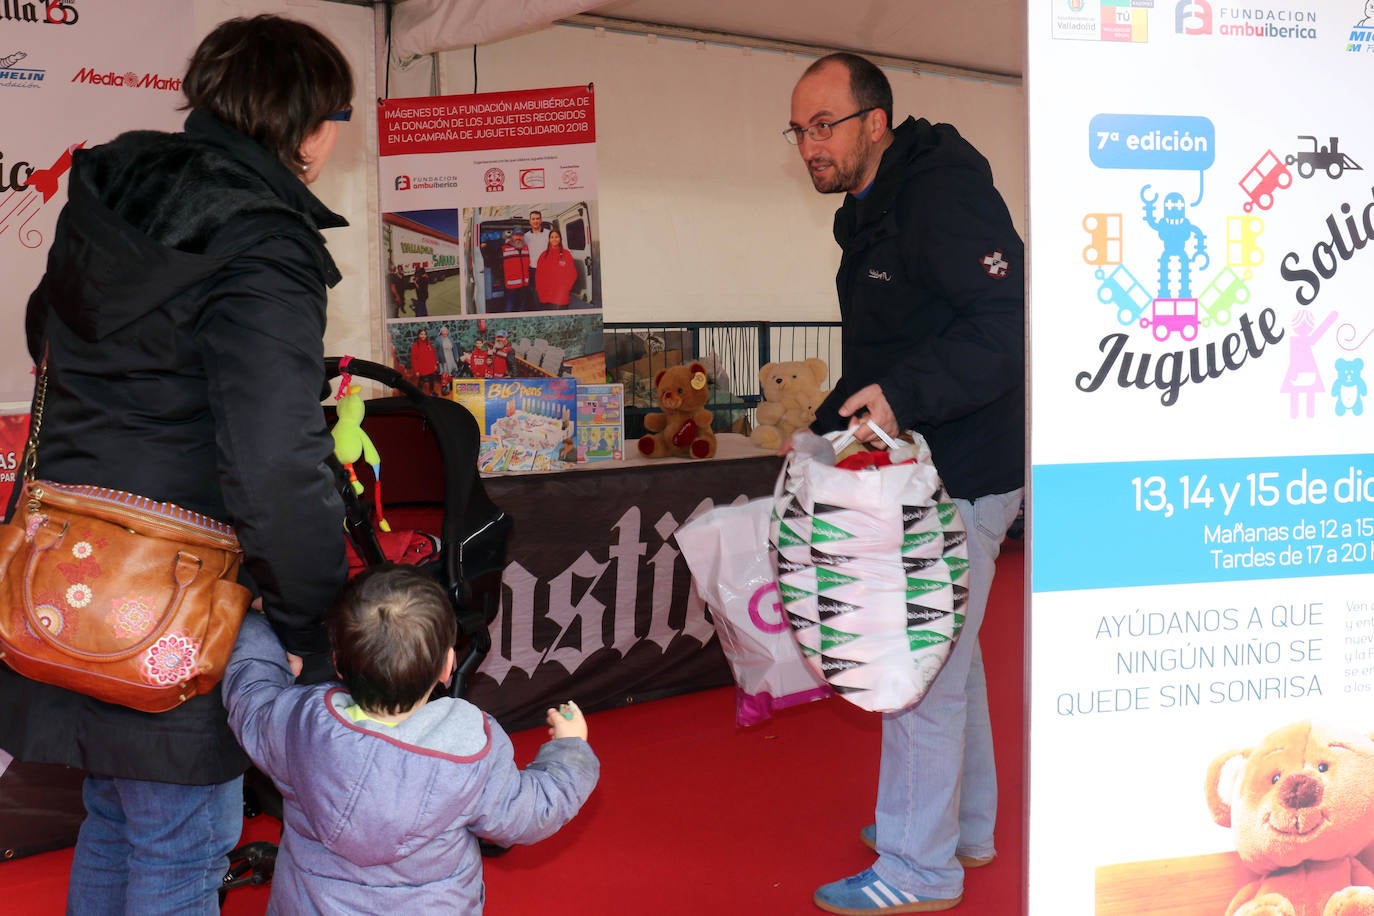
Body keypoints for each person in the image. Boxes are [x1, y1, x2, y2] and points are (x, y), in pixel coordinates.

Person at [0, 15, 353, 915]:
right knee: (183, 845)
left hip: (73, 563)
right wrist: (315, 625)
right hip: (179, 590)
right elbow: (277, 462)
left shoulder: (108, 183)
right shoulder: (266, 242)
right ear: (309, 121)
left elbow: (46, 330)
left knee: (118, 821)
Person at [786, 52, 1024, 914]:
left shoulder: (942, 195)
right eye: (799, 129)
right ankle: (964, 828)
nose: (809, 144)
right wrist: (819, 431)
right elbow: (884, 355)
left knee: (915, 669)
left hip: (960, 473)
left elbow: (1005, 332)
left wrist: (903, 401)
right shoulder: (869, 208)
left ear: (874, 123)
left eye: (824, 125)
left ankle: (918, 871)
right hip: (924, 469)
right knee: (951, 664)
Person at [222, 564, 600, 913]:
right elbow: (527, 814)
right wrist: (569, 752)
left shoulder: (300, 723)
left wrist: (253, 624)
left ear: (337, 662)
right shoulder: (470, 749)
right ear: (448, 666)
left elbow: (250, 699)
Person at [535, 228, 580, 309]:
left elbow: (573, 274)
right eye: (552, 237)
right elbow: (539, 275)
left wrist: (566, 288)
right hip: (546, 295)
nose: (554, 239)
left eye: (556, 237)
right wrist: (540, 291)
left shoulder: (566, 254)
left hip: (561, 296)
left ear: (560, 239)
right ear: (549, 239)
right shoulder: (543, 255)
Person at [523, 209, 551, 309]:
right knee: (535, 292)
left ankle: (548, 309)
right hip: (533, 269)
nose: (535, 221)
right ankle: (538, 309)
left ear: (541, 220)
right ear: (530, 221)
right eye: (533, 219)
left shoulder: (549, 233)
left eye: (537, 219)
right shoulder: (526, 236)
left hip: (547, 268)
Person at [501, 231, 531, 312]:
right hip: (511, 286)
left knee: (522, 308)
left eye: (520, 236)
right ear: (512, 237)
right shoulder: (504, 248)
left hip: (524, 285)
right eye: (516, 235)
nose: (518, 238)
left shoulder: (526, 248)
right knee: (509, 309)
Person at [410, 328, 440, 394]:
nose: (423, 336)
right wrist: (416, 370)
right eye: (421, 334)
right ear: (418, 335)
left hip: (430, 367)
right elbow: (413, 359)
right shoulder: (415, 346)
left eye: (425, 334)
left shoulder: (429, 344)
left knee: (432, 380)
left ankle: (432, 392)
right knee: (421, 382)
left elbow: (433, 355)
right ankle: (418, 395)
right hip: (421, 368)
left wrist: (435, 364)